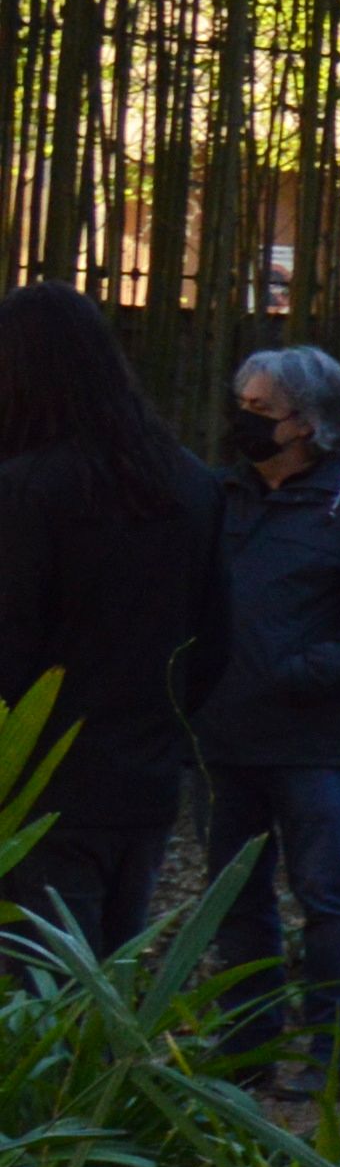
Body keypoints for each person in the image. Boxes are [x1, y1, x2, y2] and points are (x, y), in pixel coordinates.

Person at [196, 342, 340, 1080]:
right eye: (243, 406)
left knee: (325, 897)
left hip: (310, 738)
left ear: (307, 424)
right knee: (235, 901)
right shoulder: (219, 497)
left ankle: (333, 1056)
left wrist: (304, 674)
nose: (244, 421)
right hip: (222, 736)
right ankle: (248, 1052)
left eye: (261, 411)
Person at [0, 287, 220, 964]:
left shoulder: (28, 489)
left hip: (40, 789)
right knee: (110, 1000)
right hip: (144, 781)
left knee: (45, 1009)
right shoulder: (190, 485)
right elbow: (215, 643)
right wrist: (162, 731)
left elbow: (8, 650)